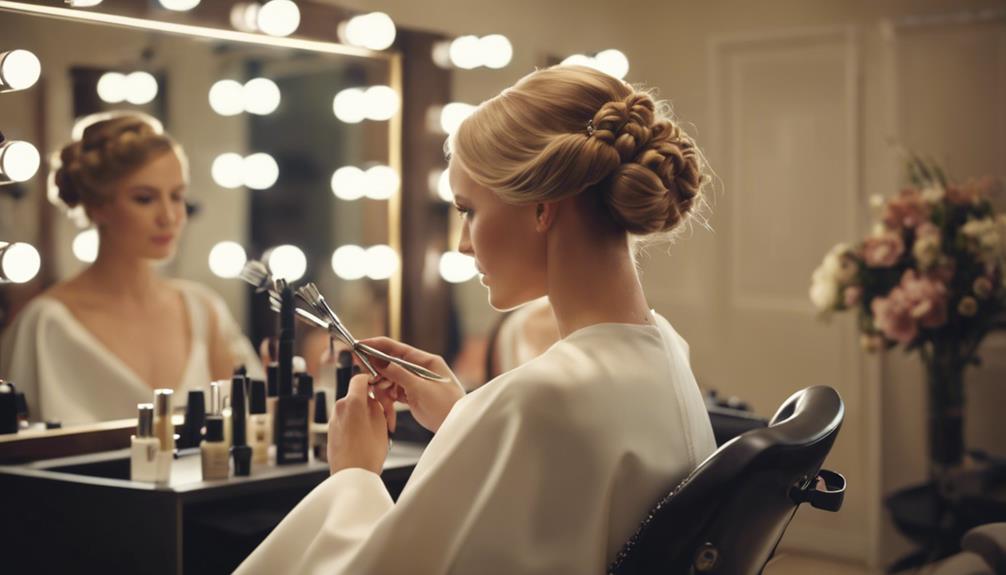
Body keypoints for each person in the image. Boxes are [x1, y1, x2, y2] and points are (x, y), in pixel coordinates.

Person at [236, 64, 717, 574]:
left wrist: (353, 477)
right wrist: (466, 421)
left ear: (541, 208)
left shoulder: (538, 401)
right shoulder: (665, 353)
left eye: (468, 210)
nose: (463, 243)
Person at [0, 113, 261, 425]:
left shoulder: (204, 311)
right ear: (98, 205)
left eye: (177, 196)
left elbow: (255, 426)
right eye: (144, 198)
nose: (169, 216)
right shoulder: (46, 324)